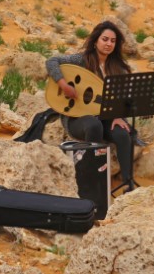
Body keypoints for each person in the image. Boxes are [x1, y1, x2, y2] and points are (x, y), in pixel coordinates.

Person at [46, 20, 134, 191]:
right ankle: (91, 185)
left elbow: (120, 99)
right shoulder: (81, 60)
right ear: (95, 41)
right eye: (105, 39)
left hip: (105, 117)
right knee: (94, 126)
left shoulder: (118, 69)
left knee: (123, 134)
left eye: (112, 41)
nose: (109, 44)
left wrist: (117, 114)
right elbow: (51, 62)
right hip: (76, 117)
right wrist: (64, 85)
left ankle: (128, 186)